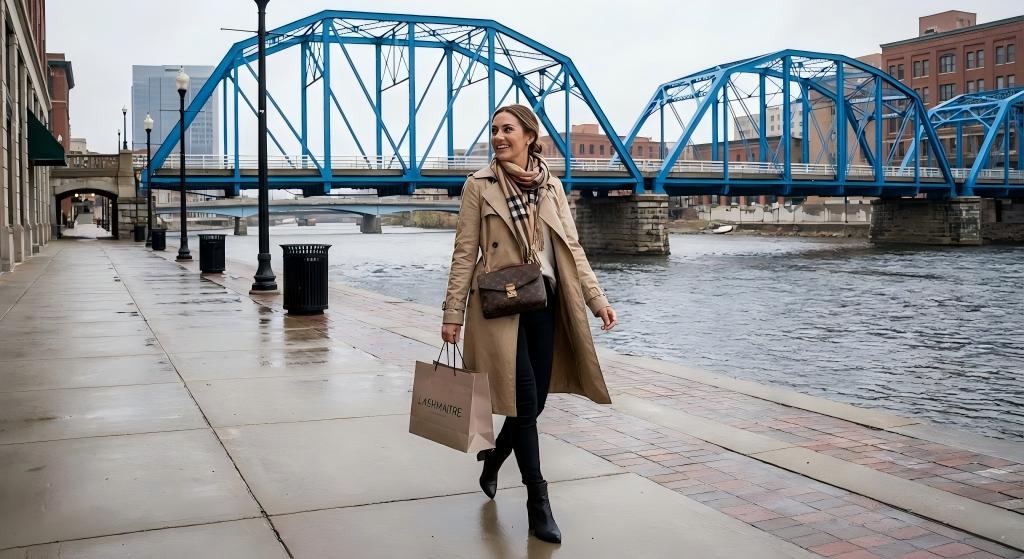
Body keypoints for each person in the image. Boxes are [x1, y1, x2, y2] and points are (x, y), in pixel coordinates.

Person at [441, 104, 618, 544]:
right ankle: (538, 502)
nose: (499, 137)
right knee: (522, 401)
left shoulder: (551, 185)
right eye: (494, 130)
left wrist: (596, 299)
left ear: (529, 136)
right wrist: (452, 314)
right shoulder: (478, 185)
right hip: (499, 308)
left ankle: (494, 458)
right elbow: (464, 253)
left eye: (508, 129)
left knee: (533, 404)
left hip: (544, 302)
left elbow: (572, 249)